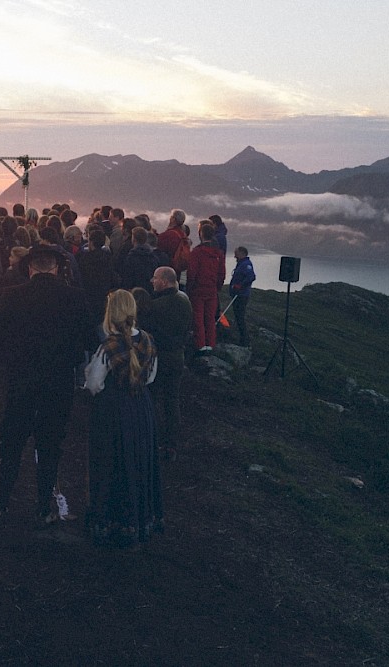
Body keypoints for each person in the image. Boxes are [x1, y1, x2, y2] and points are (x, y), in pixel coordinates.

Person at [0, 245, 92, 526]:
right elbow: (90, 340)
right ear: (56, 268)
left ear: (30, 269)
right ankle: (44, 506)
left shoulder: (11, 296)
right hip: (59, 382)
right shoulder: (75, 298)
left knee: (13, 439)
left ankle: (1, 500)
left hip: (22, 380)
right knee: (51, 442)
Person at [84, 289, 163, 547]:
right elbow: (150, 378)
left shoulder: (108, 346)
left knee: (111, 462)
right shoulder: (149, 340)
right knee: (137, 462)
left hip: (113, 412)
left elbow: (94, 383)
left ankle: (108, 520)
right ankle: (137, 520)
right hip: (141, 409)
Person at [143, 267, 192, 460]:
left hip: (158, 360)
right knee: (172, 400)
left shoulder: (156, 306)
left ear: (164, 281)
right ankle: (171, 444)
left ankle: (152, 439)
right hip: (177, 358)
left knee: (152, 398)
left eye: (155, 278)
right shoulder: (185, 302)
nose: (152, 281)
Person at [186, 222, 226, 352]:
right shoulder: (218, 254)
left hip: (198, 289)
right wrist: (217, 287)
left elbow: (192, 272)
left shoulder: (196, 252)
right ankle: (211, 344)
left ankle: (201, 345)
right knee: (210, 317)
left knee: (198, 318)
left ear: (201, 234)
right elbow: (222, 273)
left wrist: (189, 288)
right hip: (212, 290)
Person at [229, 247, 256, 347]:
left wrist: (241, 286)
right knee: (238, 317)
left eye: (236, 253)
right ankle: (242, 339)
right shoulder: (241, 264)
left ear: (242, 253)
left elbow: (251, 277)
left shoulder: (246, 264)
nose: (235, 256)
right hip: (238, 295)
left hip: (241, 296)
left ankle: (244, 340)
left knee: (240, 317)